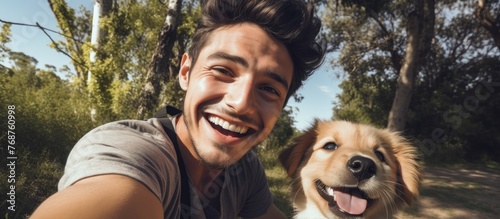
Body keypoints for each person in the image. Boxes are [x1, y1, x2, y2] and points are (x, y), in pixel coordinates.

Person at [31, 0, 325, 218]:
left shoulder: (245, 170)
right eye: (223, 70)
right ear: (185, 72)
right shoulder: (134, 154)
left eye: (269, 89)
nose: (240, 103)